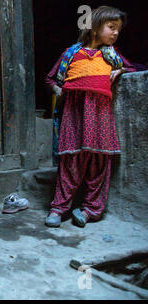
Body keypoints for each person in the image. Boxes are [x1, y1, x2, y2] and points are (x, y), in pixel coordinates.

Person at [44, 6, 136, 228]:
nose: (115, 33)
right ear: (94, 28)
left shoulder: (112, 56)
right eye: (111, 27)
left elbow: (134, 68)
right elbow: (51, 79)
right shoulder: (72, 53)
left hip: (100, 114)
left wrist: (121, 70)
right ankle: (59, 208)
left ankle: (90, 210)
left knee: (99, 160)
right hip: (74, 113)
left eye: (118, 30)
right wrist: (62, 92)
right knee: (71, 160)